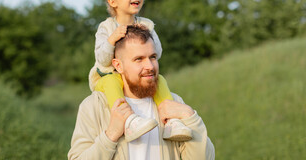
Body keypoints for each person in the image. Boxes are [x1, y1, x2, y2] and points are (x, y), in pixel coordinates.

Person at [68, 24, 215, 160]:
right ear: (118, 65)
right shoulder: (94, 106)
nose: (150, 66)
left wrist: (190, 116)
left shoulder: (173, 103)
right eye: (139, 59)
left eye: (152, 57)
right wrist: (111, 134)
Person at [88, 0, 192, 142]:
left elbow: (157, 52)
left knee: (160, 80)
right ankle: (129, 121)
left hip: (137, 78)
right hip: (108, 77)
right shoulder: (106, 27)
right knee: (112, 81)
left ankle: (171, 121)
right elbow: (102, 59)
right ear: (113, 1)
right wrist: (112, 39)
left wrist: (148, 33)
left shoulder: (147, 24)